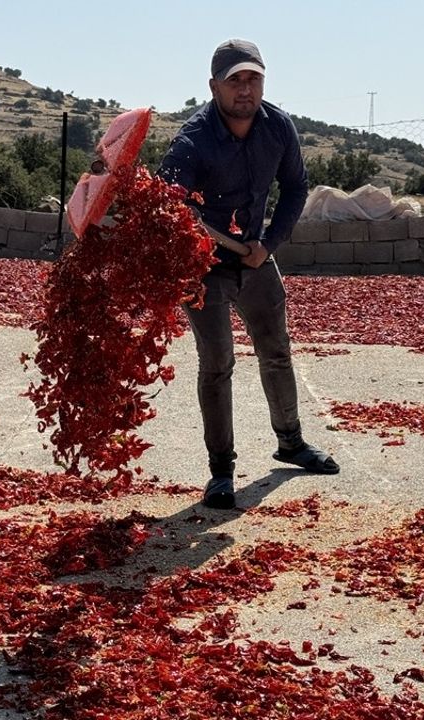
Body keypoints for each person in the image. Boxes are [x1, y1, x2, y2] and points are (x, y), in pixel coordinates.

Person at [159, 38, 340, 510]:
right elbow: (170, 208)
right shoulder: (192, 141)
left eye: (253, 79)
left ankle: (291, 443)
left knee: (276, 351)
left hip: (256, 256)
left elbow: (297, 186)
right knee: (217, 364)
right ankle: (221, 471)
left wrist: (268, 245)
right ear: (214, 86)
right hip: (203, 266)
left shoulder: (277, 127)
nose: (245, 89)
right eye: (235, 80)